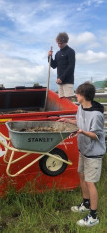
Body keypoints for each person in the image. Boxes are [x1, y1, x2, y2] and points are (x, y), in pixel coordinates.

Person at [59, 81, 106, 227]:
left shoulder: (97, 115)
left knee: (90, 182)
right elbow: (80, 122)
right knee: (81, 175)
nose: (75, 96)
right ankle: (85, 204)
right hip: (83, 150)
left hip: (93, 153)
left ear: (83, 96)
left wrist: (82, 132)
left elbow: (96, 135)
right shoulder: (81, 108)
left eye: (77, 94)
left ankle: (93, 216)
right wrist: (69, 121)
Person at [48, 32, 75, 100]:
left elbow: (71, 67)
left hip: (68, 81)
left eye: (61, 43)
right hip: (60, 81)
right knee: (62, 101)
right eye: (58, 43)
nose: (59, 45)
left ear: (66, 42)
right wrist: (49, 57)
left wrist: (61, 78)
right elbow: (54, 65)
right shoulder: (57, 53)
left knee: (68, 102)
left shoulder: (70, 51)